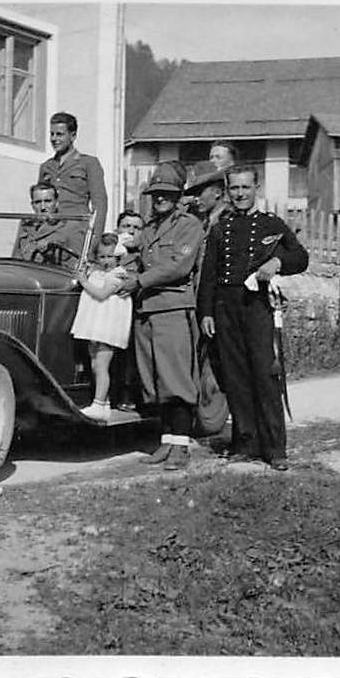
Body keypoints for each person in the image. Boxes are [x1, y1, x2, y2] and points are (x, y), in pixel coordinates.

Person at [197, 165, 309, 470]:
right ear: (227, 191)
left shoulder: (271, 224)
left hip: (258, 307)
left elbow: (301, 258)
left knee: (265, 375)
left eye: (246, 188)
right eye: (234, 188)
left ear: (256, 188)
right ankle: (245, 443)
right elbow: (209, 275)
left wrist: (277, 260)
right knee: (235, 378)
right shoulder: (220, 229)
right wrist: (206, 312)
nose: (240, 194)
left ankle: (275, 448)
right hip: (226, 308)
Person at [117, 162, 204, 470]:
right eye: (155, 193)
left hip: (172, 308)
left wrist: (138, 281)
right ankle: (167, 442)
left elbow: (178, 267)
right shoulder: (149, 227)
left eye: (166, 193)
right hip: (146, 310)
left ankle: (181, 445)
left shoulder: (189, 225)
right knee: (155, 381)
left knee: (175, 379)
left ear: (178, 195)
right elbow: (138, 259)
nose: (160, 199)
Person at [71, 232, 133, 422]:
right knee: (94, 364)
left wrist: (84, 281)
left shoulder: (118, 275)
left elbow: (101, 294)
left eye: (110, 257)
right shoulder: (97, 273)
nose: (106, 261)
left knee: (102, 364)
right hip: (95, 324)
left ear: (118, 257)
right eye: (102, 257)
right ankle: (103, 402)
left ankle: (98, 404)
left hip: (108, 325)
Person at [38, 112, 107, 238]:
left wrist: (94, 239)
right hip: (50, 230)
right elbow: (39, 203)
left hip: (76, 230)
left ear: (73, 135)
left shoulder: (89, 163)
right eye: (52, 134)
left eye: (59, 134)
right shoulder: (46, 167)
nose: (54, 139)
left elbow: (100, 204)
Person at [108, 210, 146, 410]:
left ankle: (128, 395)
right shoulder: (110, 252)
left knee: (130, 354)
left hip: (132, 310)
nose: (131, 231)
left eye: (136, 228)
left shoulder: (143, 256)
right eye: (126, 226)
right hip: (109, 310)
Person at [12, 182, 86, 269]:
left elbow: (77, 265)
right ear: (32, 205)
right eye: (38, 202)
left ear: (56, 202)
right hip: (25, 276)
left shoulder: (70, 226)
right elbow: (16, 258)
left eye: (48, 201)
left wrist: (51, 252)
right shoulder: (26, 225)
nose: (43, 207)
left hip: (53, 278)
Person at [184, 161, 228, 231]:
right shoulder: (204, 221)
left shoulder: (227, 221)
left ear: (217, 192)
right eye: (194, 195)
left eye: (199, 193)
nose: (196, 199)